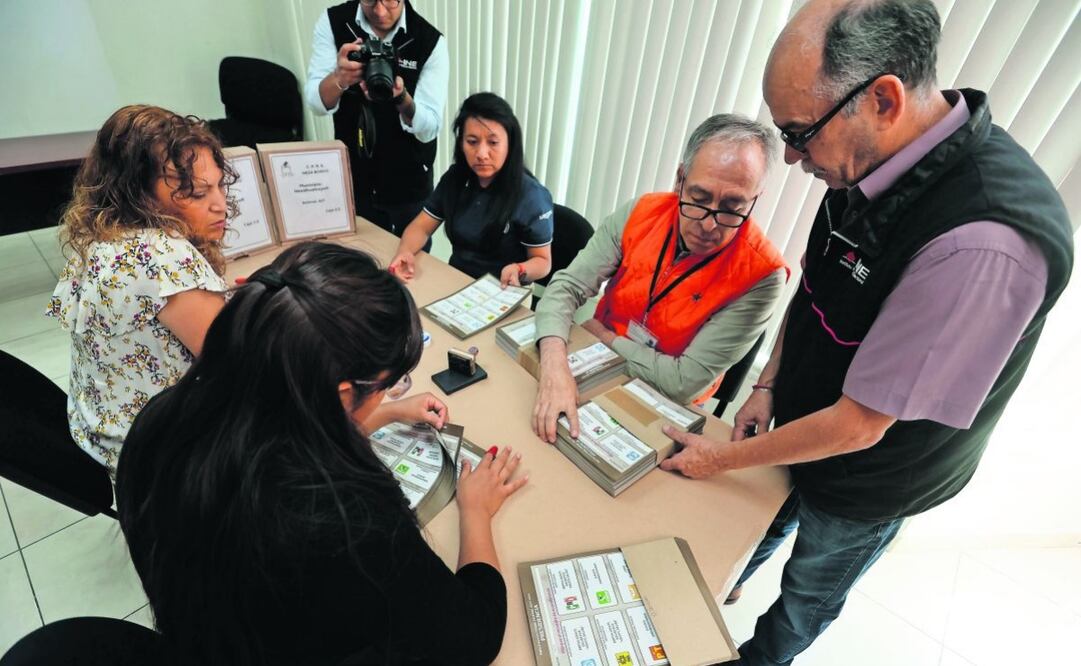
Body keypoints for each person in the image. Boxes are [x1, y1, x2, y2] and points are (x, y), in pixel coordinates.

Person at [659, 1, 1074, 664]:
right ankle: (722, 589)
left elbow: (858, 426)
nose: (791, 158)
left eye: (799, 133)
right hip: (805, 414)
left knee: (806, 592)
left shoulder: (983, 244)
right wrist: (767, 383)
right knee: (755, 525)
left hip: (871, 473)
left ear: (882, 98)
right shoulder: (868, 156)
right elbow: (817, 280)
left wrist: (716, 458)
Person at [116, 242, 527, 666]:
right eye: (389, 384)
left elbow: (280, 423)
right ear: (341, 395)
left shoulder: (159, 422)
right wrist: (475, 511)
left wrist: (382, 412)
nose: (390, 393)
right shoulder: (347, 520)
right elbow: (472, 637)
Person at [531, 114, 787, 442]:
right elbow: (566, 287)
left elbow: (681, 382)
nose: (710, 225)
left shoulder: (762, 275)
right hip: (594, 361)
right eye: (700, 198)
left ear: (754, 200)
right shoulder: (642, 212)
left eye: (732, 206)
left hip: (665, 402)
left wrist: (609, 339)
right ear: (680, 180)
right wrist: (553, 364)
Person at [47, 104, 234, 475]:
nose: (221, 206)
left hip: (102, 432)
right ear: (139, 194)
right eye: (196, 193)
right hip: (162, 457)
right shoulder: (163, 257)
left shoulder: (99, 235)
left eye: (219, 186)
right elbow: (244, 367)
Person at [305, 0, 449, 238]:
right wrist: (340, 78)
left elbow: (430, 127)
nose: (380, 11)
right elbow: (316, 103)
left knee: (410, 264)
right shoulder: (334, 22)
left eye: (391, 0)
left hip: (408, 180)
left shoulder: (430, 41)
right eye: (370, 0)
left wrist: (402, 98)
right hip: (355, 176)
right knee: (359, 260)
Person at [389, 92, 554, 284]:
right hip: (458, 281)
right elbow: (420, 227)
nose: (482, 154)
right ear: (461, 143)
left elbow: (543, 261)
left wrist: (520, 269)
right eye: (472, 142)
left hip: (506, 290)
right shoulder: (455, 178)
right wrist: (405, 252)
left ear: (510, 143)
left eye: (493, 143)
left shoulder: (532, 196)